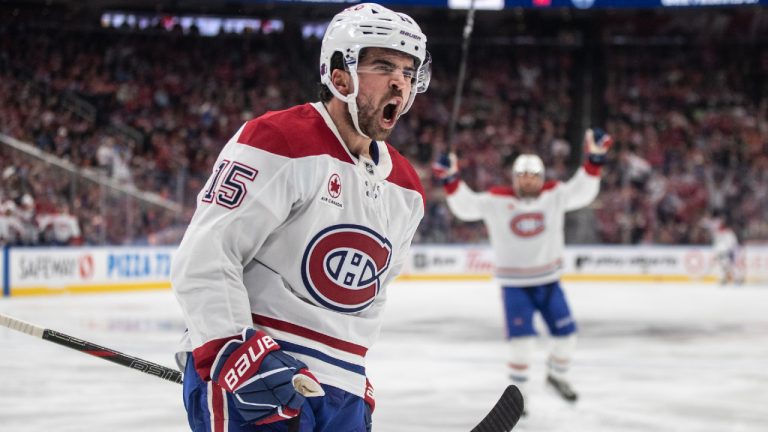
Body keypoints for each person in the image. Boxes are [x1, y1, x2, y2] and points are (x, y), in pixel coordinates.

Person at [170, 4, 431, 432]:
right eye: (384, 66)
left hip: (339, 389)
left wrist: (352, 374)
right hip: (256, 372)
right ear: (340, 76)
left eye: (408, 71)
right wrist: (231, 350)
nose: (400, 82)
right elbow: (206, 256)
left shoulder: (406, 187)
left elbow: (372, 295)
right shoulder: (280, 139)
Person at [434, 129, 612, 410]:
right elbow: (466, 208)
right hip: (515, 285)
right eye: (523, 176)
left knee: (567, 337)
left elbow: (583, 191)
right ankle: (520, 395)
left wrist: (595, 159)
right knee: (522, 344)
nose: (528, 180)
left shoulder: (554, 194)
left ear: (541, 178)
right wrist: (451, 179)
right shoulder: (496, 199)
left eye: (533, 176)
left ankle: (557, 376)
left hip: (549, 282)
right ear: (515, 178)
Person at [700, 212, 741, 285]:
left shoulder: (729, 233)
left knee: (729, 266)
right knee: (722, 266)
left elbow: (732, 243)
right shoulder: (717, 233)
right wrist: (716, 252)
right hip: (720, 253)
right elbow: (716, 243)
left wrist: (730, 251)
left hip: (727, 253)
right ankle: (724, 278)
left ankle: (737, 278)